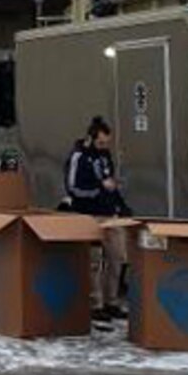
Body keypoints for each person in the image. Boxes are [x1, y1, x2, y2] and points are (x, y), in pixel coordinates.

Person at [65, 116, 130, 318]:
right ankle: (96, 304)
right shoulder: (79, 157)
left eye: (106, 143)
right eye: (101, 142)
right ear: (90, 139)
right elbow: (73, 188)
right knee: (94, 261)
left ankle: (112, 301)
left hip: (109, 213)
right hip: (88, 214)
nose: (103, 146)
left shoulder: (104, 156)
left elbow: (109, 181)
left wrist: (121, 205)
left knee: (117, 257)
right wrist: (99, 189)